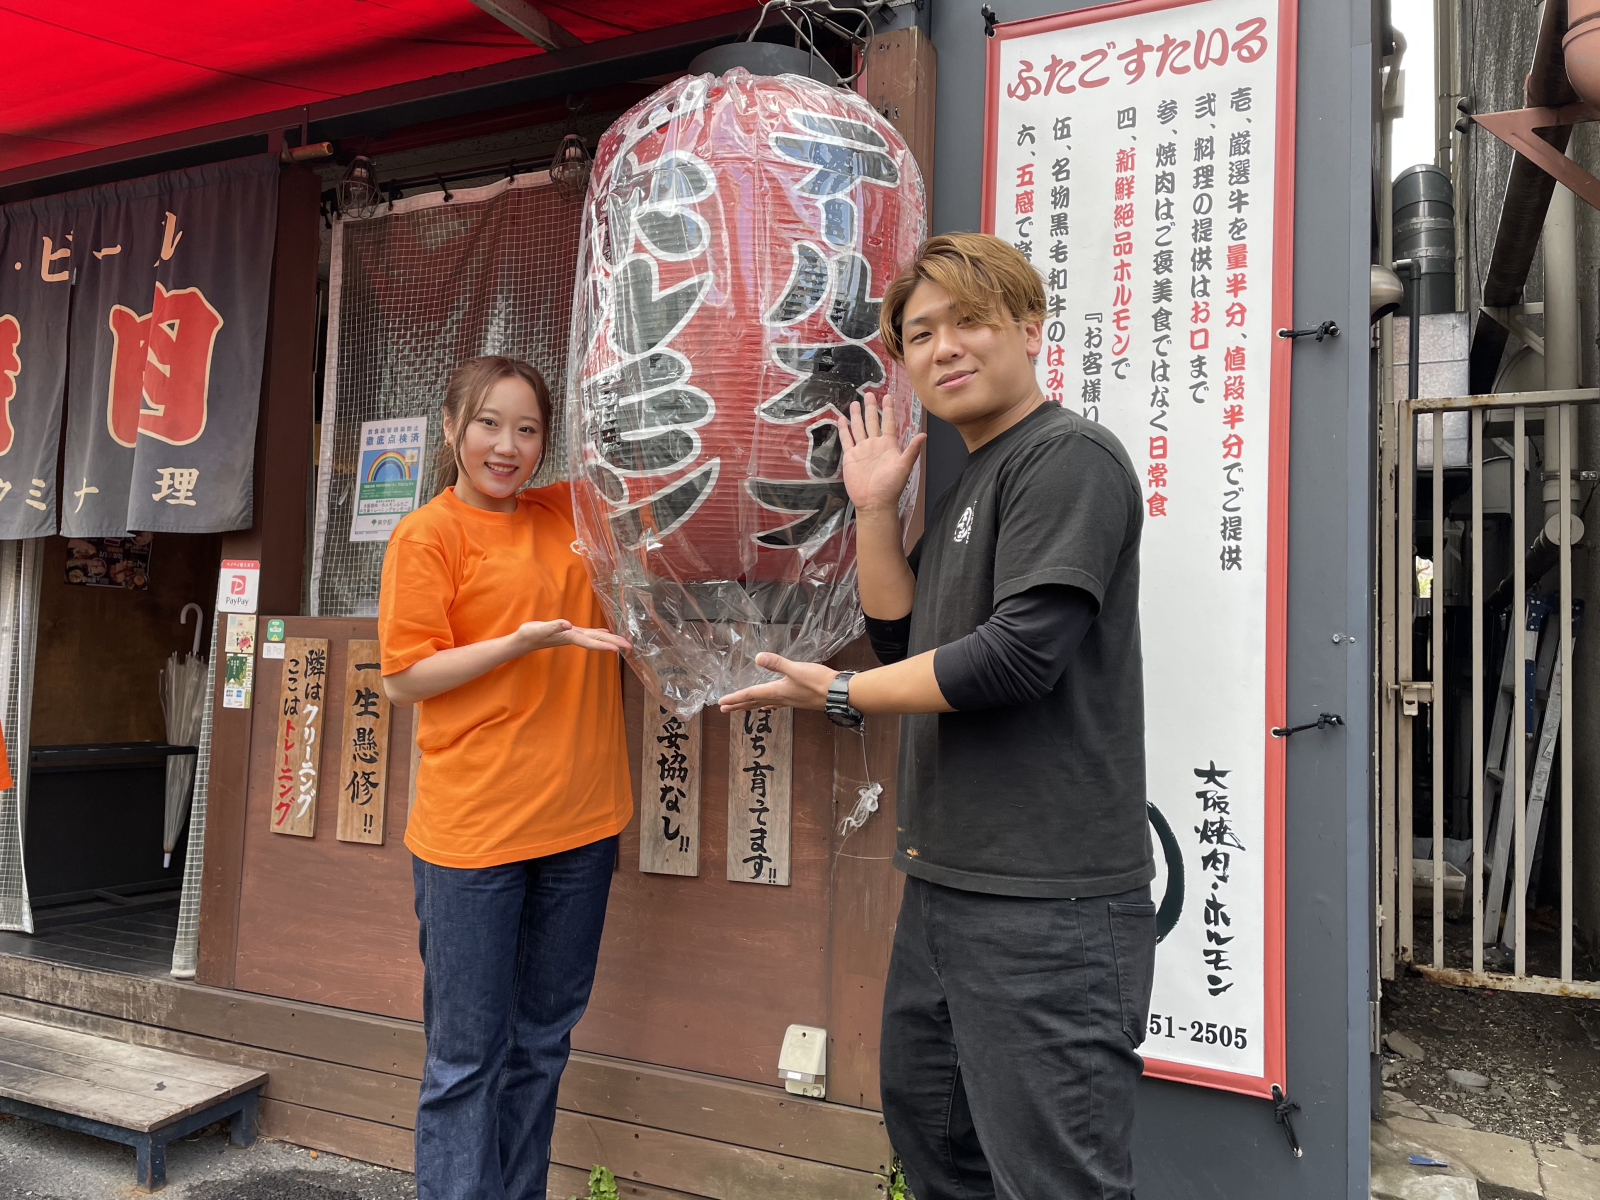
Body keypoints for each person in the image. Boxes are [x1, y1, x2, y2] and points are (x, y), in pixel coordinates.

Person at [719, 233, 1155, 1199]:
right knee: (940, 1152)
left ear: (1029, 326)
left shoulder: (1068, 458)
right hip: (948, 885)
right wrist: (875, 510)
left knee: (1054, 1180)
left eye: (970, 321)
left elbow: (1017, 657)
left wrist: (834, 696)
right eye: (920, 334)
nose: (944, 347)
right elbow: (902, 644)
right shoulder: (970, 480)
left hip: (1050, 903)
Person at [378, 356, 633, 1200]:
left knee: (542, 1046)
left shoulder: (567, 511)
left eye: (528, 429)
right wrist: (526, 640)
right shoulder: (428, 534)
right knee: (464, 1058)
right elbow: (405, 676)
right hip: (472, 837)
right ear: (451, 427)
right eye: (489, 423)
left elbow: (649, 470)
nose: (507, 445)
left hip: (583, 822)